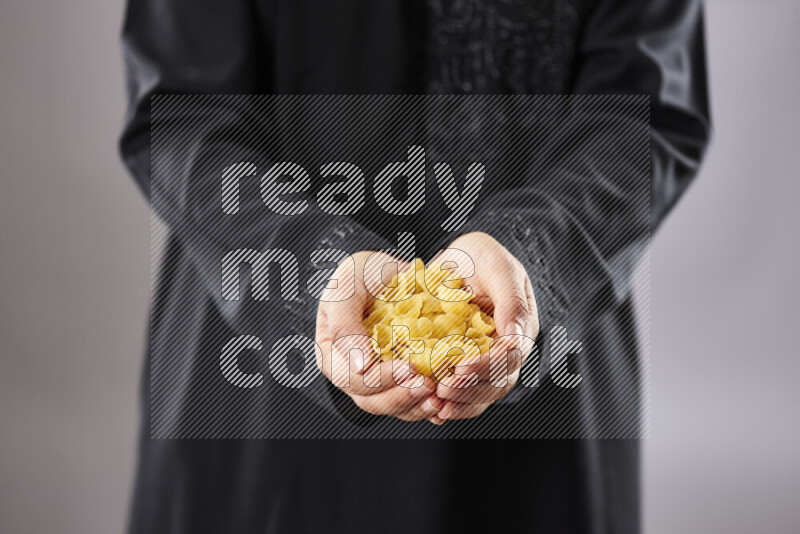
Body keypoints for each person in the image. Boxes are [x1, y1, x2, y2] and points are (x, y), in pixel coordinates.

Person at [120, 0, 710, 532]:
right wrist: (315, 267)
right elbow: (182, 114)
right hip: (263, 397)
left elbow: (645, 109)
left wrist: (532, 253)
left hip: (538, 365)